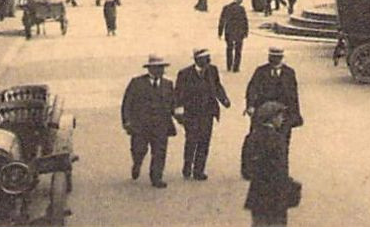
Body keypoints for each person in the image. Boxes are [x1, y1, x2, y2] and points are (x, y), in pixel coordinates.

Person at [121, 55, 178, 188]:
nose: (161, 71)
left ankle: (156, 177)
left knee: (159, 152)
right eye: (158, 68)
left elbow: (173, 103)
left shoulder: (168, 85)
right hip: (141, 126)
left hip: (161, 125)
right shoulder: (136, 83)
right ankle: (137, 163)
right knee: (139, 149)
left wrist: (180, 116)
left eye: (162, 68)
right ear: (150, 69)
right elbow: (127, 103)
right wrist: (127, 121)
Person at [175, 47, 231, 180]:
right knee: (191, 141)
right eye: (205, 59)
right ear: (197, 60)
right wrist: (178, 109)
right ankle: (187, 166)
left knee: (204, 141)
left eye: (209, 59)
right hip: (191, 114)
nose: (208, 62)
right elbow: (177, 93)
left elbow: (217, 86)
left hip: (208, 112)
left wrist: (224, 99)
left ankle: (199, 170)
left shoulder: (212, 70)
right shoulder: (184, 74)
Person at [241, 101, 296, 226]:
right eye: (280, 116)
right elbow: (281, 167)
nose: (282, 119)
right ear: (272, 118)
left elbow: (246, 170)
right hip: (275, 194)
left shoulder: (251, 138)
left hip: (257, 192)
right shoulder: (278, 139)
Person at [245, 46, 303, 145]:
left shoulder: (289, 73)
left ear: (281, 58)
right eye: (272, 57)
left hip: (283, 111)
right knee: (259, 137)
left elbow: (293, 94)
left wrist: (295, 113)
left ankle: (282, 159)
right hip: (263, 110)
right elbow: (252, 89)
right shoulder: (261, 71)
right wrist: (250, 106)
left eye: (277, 57)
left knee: (283, 139)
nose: (273, 59)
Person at [219, 0, 250, 72]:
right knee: (238, 50)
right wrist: (246, 31)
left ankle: (229, 66)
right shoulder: (241, 9)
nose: (242, 0)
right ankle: (236, 67)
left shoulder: (226, 8)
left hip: (229, 31)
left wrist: (220, 32)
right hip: (239, 32)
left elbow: (222, 20)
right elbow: (245, 21)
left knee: (229, 49)